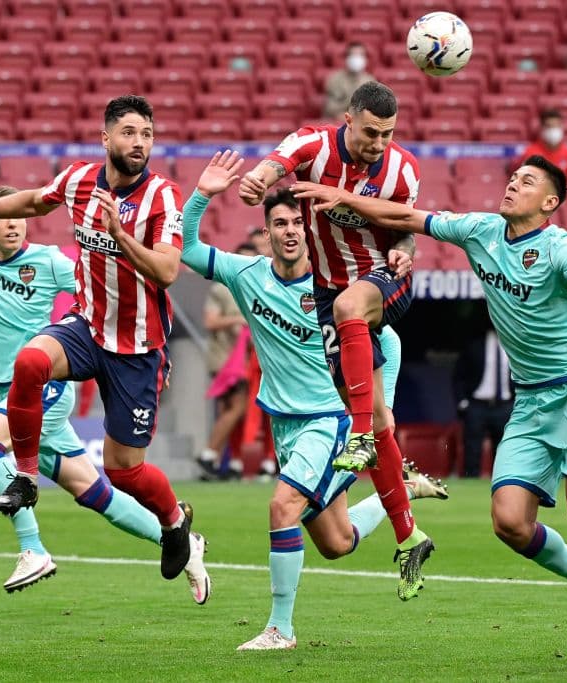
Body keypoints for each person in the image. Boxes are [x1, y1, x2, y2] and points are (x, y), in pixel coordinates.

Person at [291, 155, 567, 667]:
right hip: (530, 398)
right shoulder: (481, 231)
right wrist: (344, 198)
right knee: (510, 521)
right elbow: (407, 217)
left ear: (549, 202)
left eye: (527, 182)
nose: (513, 184)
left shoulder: (559, 245)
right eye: (513, 178)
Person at [0, 142, 209, 601]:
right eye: (4, 218)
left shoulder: (49, 262)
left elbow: (108, 291)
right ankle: (181, 538)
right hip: (8, 394)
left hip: (46, 385)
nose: (13, 225)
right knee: (94, 492)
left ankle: (33, 549)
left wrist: (149, 344)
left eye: (19, 219)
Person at [184, 151, 447, 649]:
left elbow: (388, 341)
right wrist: (201, 195)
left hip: (329, 421)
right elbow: (188, 249)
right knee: (336, 542)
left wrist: (382, 411)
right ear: (266, 233)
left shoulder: (339, 290)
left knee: (282, 506)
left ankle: (279, 629)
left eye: (296, 223)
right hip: (286, 426)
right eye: (278, 224)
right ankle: (404, 491)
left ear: (310, 229)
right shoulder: (247, 275)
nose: (289, 231)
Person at [238, 82, 431, 586]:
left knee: (352, 309)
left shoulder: (403, 169)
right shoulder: (315, 145)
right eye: (371, 133)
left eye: (388, 134)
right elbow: (277, 162)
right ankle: (409, 535)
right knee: (380, 419)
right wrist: (257, 179)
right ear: (349, 119)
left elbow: (406, 226)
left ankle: (358, 437)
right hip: (329, 294)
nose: (379, 143)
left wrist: (404, 249)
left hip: (383, 280)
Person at [197, 243, 253, 479]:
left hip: (241, 361)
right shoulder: (221, 289)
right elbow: (210, 322)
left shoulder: (253, 287)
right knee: (237, 407)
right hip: (224, 359)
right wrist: (237, 320)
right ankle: (209, 453)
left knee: (227, 410)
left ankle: (217, 462)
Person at [453, 317, 513, 478]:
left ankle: (503, 482)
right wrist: (463, 402)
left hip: (505, 406)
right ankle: (470, 483)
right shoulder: (475, 344)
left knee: (505, 450)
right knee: (472, 449)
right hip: (477, 406)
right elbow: (459, 375)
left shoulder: (514, 344)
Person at [519, 110, 567, 182]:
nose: (553, 130)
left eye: (557, 126)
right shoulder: (530, 154)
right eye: (549, 126)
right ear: (542, 128)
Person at [322, 42, 375, 120]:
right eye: (353, 55)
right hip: (337, 122)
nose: (357, 59)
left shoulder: (371, 81)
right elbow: (331, 108)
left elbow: (372, 110)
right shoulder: (335, 79)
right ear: (347, 58)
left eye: (360, 55)